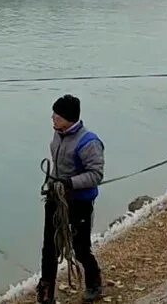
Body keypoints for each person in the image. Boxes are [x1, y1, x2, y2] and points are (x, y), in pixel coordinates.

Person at [37, 95, 104, 304]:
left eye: (56, 116)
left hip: (79, 203)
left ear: (69, 118)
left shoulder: (89, 143)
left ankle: (94, 283)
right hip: (56, 199)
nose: (52, 119)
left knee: (80, 247)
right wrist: (53, 185)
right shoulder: (58, 134)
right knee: (50, 247)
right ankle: (46, 292)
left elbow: (96, 175)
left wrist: (69, 183)